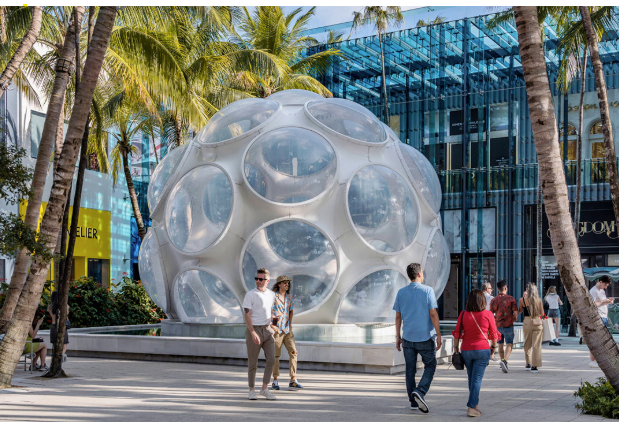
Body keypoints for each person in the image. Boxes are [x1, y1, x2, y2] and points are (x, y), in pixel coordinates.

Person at [393, 263, 442, 414]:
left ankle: (413, 402)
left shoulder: (401, 292)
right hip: (425, 337)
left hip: (407, 337)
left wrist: (398, 337)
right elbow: (433, 314)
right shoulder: (428, 291)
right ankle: (420, 391)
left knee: (410, 369)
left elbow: (398, 317)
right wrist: (439, 335)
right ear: (420, 273)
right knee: (431, 365)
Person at [452, 289, 500, 417]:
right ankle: (472, 407)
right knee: (477, 379)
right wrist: (493, 350)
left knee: (471, 377)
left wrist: (455, 349)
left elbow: (457, 333)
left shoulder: (463, 314)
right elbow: (494, 335)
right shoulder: (488, 314)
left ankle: (475, 405)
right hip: (482, 350)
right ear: (483, 300)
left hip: (466, 350)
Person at [243, 268, 277, 400]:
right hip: (254, 330)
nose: (258, 281)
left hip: (268, 330)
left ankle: (264, 388)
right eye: (256, 279)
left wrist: (274, 324)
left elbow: (271, 311)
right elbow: (247, 314)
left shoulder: (271, 294)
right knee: (253, 362)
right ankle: (252, 390)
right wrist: (252, 332)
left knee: (271, 359)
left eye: (261, 279)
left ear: (267, 281)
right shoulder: (250, 295)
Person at [271, 275, 304, 391]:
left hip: (287, 330)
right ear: (279, 284)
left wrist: (289, 324)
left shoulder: (289, 297)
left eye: (288, 283)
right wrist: (274, 327)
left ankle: (293, 380)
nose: (287, 284)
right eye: (284, 283)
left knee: (294, 352)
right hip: (277, 331)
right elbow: (272, 312)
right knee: (276, 356)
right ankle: (275, 380)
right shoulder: (273, 297)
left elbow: (291, 311)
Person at [489, 280, 518, 373]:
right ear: (505, 288)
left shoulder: (494, 300)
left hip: (498, 325)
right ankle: (504, 361)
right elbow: (516, 312)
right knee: (509, 343)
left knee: (500, 344)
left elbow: (490, 313)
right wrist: (514, 317)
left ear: (498, 289)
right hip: (508, 324)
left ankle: (502, 362)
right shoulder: (511, 299)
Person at [588, 276, 614, 368]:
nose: (606, 287)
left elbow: (602, 303)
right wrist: (603, 301)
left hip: (604, 316)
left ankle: (599, 360)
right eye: (605, 285)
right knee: (596, 340)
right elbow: (593, 304)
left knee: (603, 340)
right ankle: (592, 360)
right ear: (600, 282)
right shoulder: (593, 291)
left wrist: (608, 301)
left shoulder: (602, 291)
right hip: (598, 317)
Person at [519, 282, 544, 373]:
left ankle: (528, 363)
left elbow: (520, 311)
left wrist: (523, 297)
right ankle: (535, 366)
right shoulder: (539, 300)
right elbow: (542, 313)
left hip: (527, 322)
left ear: (527, 290)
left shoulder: (522, 300)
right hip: (537, 322)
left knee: (527, 343)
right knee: (536, 345)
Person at [48, 291, 70, 362]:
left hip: (53, 326)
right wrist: (67, 308)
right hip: (62, 326)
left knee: (55, 345)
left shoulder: (50, 307)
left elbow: (52, 315)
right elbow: (66, 314)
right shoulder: (64, 306)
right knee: (64, 346)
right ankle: (59, 361)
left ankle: (55, 360)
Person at [482, 283, 496, 361]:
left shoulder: (478, 296)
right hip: (488, 319)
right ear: (487, 289)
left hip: (478, 318)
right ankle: (491, 355)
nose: (491, 290)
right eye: (490, 289)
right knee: (491, 337)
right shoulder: (491, 298)